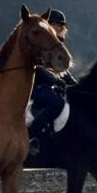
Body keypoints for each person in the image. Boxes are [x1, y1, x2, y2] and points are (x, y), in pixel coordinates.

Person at [27, 9, 77, 153]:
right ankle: (30, 136)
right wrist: (57, 81)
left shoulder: (59, 46)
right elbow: (39, 69)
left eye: (60, 25)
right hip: (39, 85)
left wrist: (76, 86)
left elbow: (64, 71)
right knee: (57, 102)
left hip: (54, 86)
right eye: (55, 24)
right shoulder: (40, 44)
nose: (58, 27)